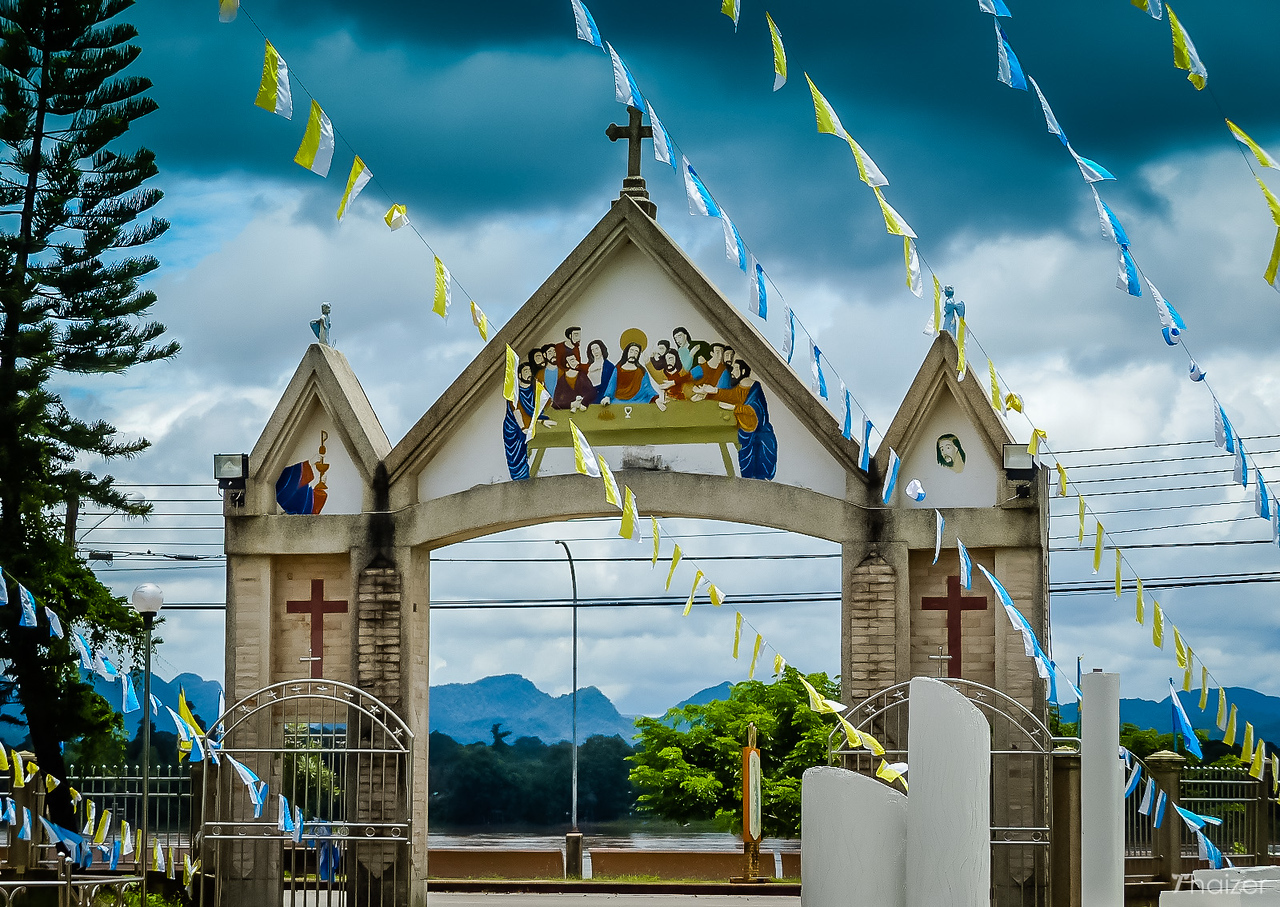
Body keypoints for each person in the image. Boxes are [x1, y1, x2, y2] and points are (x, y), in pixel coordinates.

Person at [694, 360, 777, 480]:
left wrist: (734, 408)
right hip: (745, 435)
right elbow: (732, 396)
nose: (732, 372)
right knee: (746, 469)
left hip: (761, 437)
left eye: (735, 369)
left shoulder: (755, 388)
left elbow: (756, 412)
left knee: (759, 471)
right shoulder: (741, 387)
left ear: (743, 371)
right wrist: (712, 391)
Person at [503, 362, 555, 480]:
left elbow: (544, 405)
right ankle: (519, 479)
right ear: (520, 375)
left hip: (529, 426)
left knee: (526, 453)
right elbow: (517, 411)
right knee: (517, 456)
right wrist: (523, 428)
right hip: (514, 429)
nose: (529, 374)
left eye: (530, 371)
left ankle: (525, 478)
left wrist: (543, 391)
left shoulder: (535, 389)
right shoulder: (515, 392)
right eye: (525, 371)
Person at [603, 330, 665, 409]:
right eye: (631, 351)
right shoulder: (618, 368)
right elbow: (612, 385)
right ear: (626, 352)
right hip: (618, 400)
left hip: (637, 400)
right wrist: (607, 397)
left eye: (636, 352)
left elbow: (647, 388)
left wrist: (656, 399)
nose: (633, 354)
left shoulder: (641, 371)